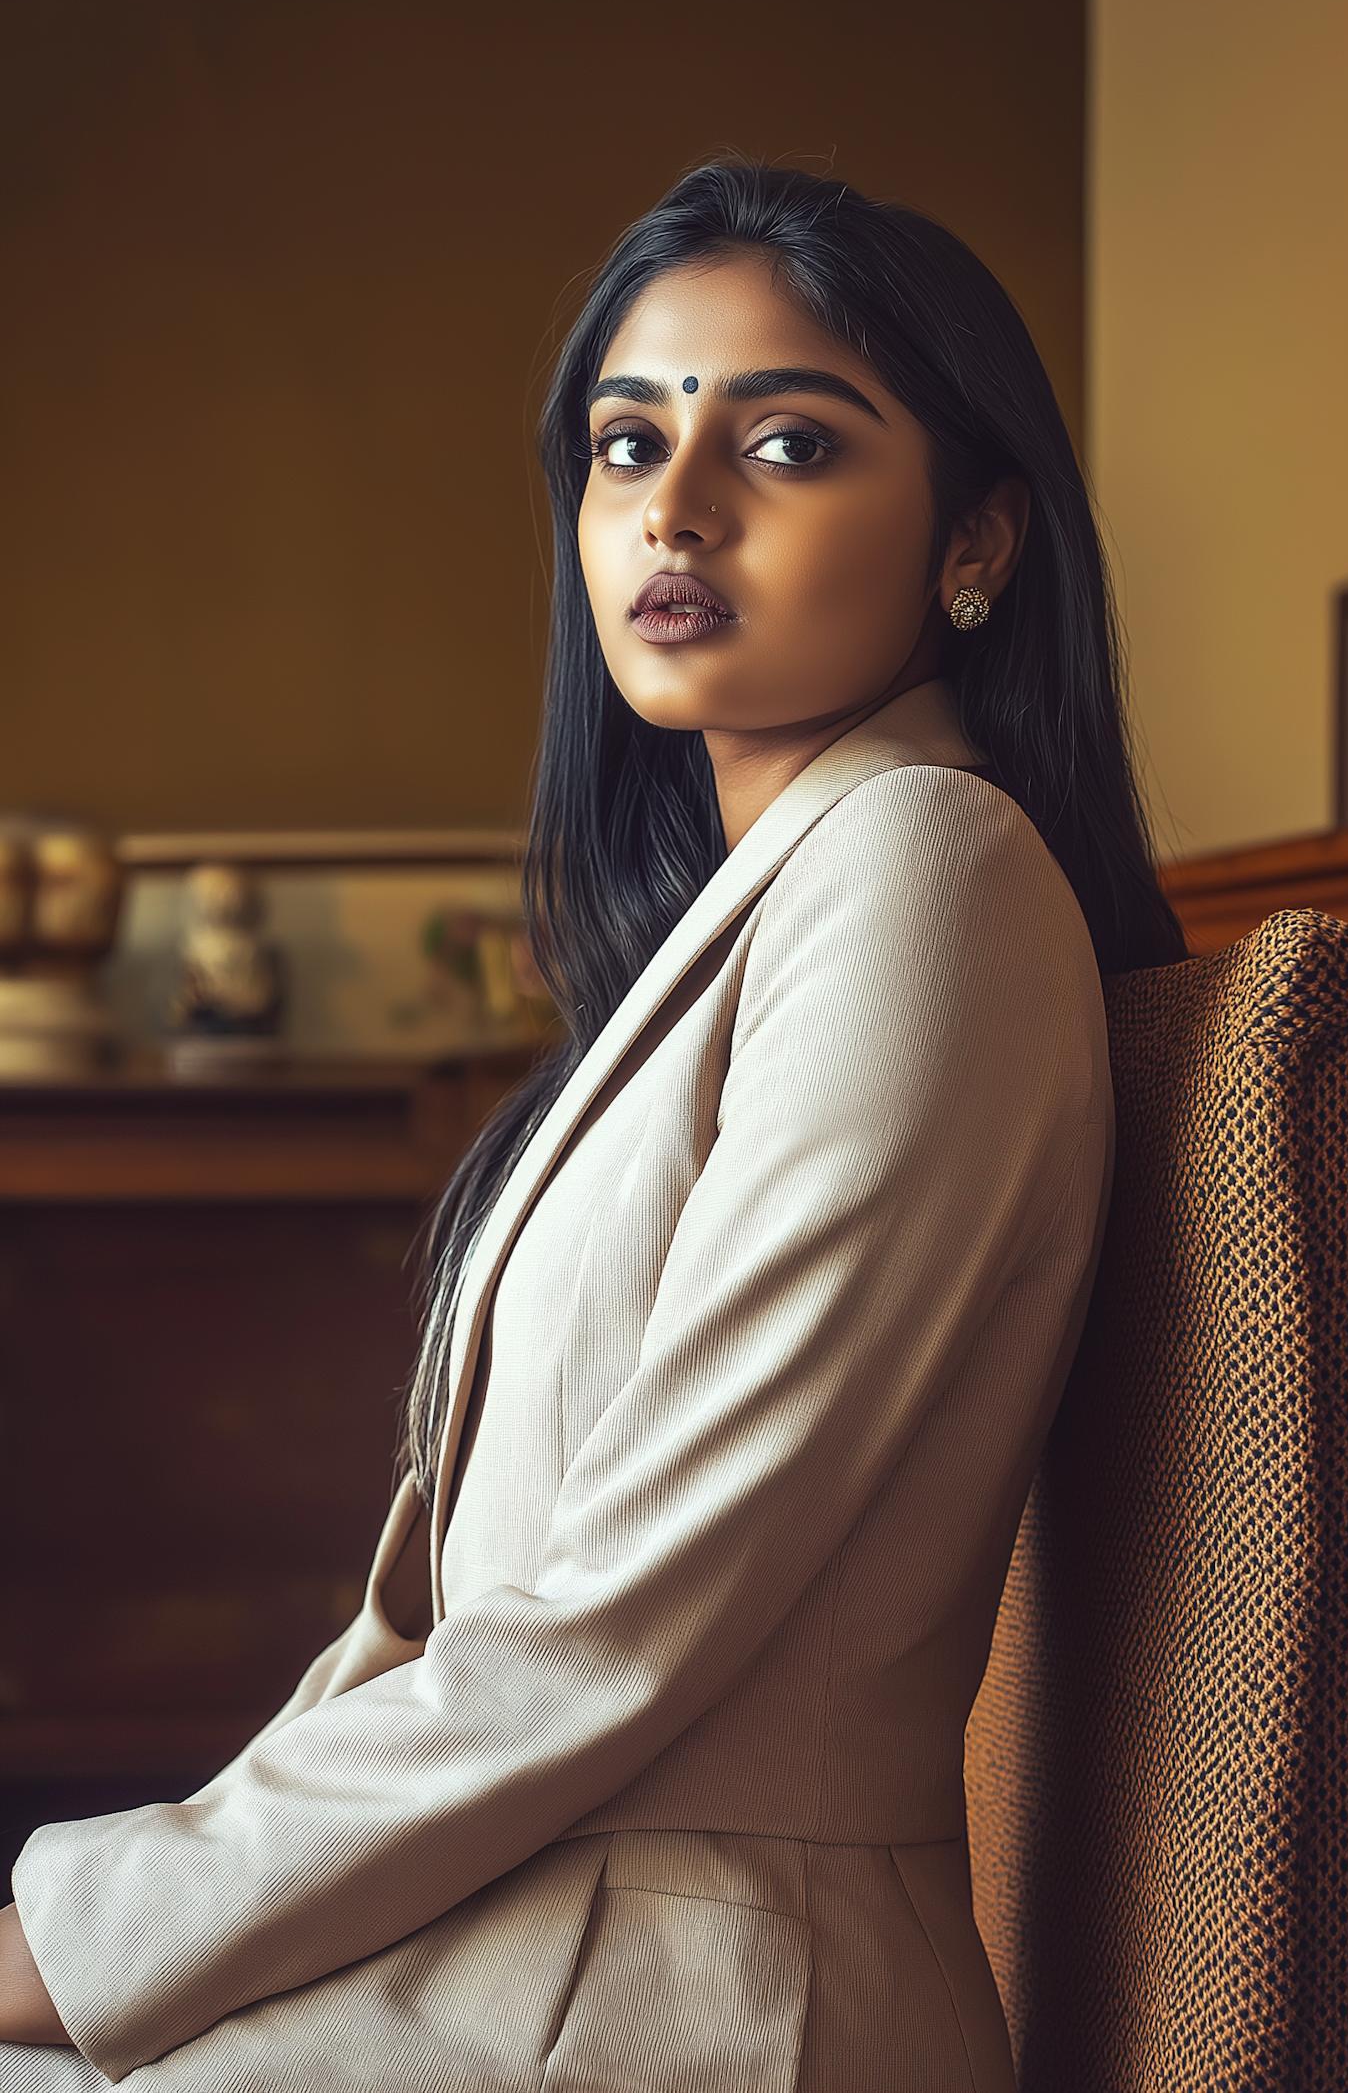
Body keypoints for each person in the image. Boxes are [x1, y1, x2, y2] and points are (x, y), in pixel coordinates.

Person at [0, 163, 1184, 2091]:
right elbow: (451, 1615)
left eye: (790, 442)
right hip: (520, 1946)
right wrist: (136, 1928)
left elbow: (616, 1625)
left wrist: (77, 1940)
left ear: (978, 535)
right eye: (627, 442)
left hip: (698, 2006)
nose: (676, 505)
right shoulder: (765, 912)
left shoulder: (927, 871)